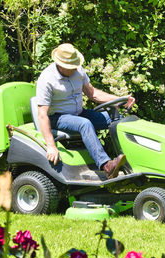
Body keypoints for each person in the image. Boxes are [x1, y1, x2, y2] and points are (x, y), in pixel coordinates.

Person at [36, 43, 135, 179]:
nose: (75, 68)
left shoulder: (78, 71)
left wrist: (120, 99)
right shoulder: (47, 79)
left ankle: (132, 160)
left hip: (78, 113)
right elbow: (42, 115)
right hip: (57, 118)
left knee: (115, 117)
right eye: (72, 66)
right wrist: (51, 146)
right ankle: (107, 166)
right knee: (85, 123)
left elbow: (93, 94)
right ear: (61, 65)